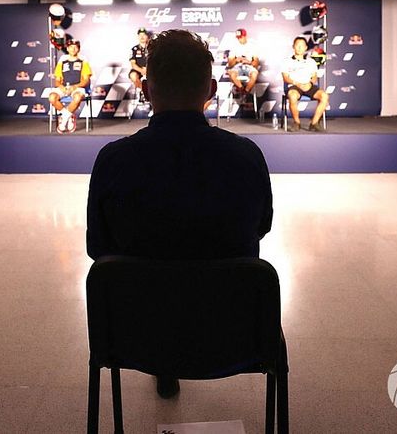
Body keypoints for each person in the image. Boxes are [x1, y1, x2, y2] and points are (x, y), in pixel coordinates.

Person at [87, 29, 273, 399]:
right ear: (210, 90)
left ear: (146, 91)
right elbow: (261, 228)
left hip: (136, 334)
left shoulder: (113, 161)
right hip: (232, 332)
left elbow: (98, 249)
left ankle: (166, 364)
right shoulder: (247, 158)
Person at [282, 36, 328, 132]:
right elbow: (285, 78)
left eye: (302, 46)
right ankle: (297, 123)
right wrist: (296, 83)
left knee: (324, 96)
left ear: (306, 47)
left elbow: (314, 77)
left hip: (308, 85)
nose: (299, 48)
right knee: (292, 95)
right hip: (294, 86)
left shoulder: (311, 61)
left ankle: (314, 123)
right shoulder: (287, 61)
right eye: (297, 45)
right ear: (293, 47)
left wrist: (310, 83)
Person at [49, 40, 91, 133]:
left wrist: (74, 87)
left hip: (78, 88)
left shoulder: (83, 61)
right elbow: (57, 81)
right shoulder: (62, 62)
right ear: (67, 49)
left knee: (77, 97)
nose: (73, 49)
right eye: (71, 47)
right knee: (52, 97)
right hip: (64, 87)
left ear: (78, 49)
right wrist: (62, 87)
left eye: (75, 47)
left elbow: (86, 80)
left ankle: (64, 120)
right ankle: (68, 115)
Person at [227, 28, 259, 96]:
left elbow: (256, 63)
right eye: (238, 38)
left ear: (245, 36)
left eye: (241, 37)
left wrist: (248, 62)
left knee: (254, 74)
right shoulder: (234, 47)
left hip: (249, 66)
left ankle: (246, 92)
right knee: (232, 74)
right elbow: (230, 64)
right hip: (237, 66)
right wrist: (236, 60)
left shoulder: (252, 46)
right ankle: (241, 89)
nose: (239, 39)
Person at [128, 27, 150, 96]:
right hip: (138, 70)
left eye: (144, 35)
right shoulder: (134, 49)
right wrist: (141, 70)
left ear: (147, 36)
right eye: (140, 35)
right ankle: (144, 92)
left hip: (150, 69)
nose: (142, 37)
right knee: (133, 75)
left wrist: (148, 69)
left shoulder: (152, 48)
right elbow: (133, 64)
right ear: (138, 36)